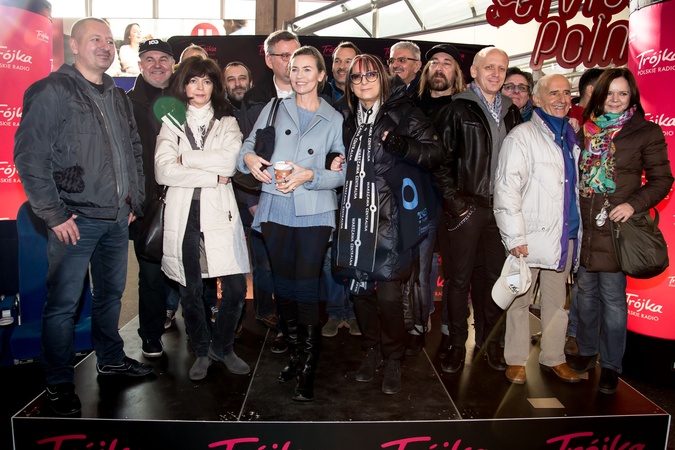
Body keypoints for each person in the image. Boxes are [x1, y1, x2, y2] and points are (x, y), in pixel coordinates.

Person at [14, 17, 153, 416]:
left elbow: (133, 150)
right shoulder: (52, 90)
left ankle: (110, 360)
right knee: (63, 305)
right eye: (95, 39)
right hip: (74, 220)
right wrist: (54, 214)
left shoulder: (118, 95)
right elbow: (29, 156)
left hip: (117, 218)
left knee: (110, 296)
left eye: (109, 40)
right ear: (74, 46)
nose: (105, 46)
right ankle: (58, 382)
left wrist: (134, 202)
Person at [238, 46, 345, 402]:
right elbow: (247, 148)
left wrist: (310, 175)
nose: (299, 75)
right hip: (276, 206)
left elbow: (343, 172)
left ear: (321, 75)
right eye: (294, 68)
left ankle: (309, 366)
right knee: (283, 288)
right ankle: (297, 356)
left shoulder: (334, 117)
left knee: (305, 288)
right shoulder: (273, 107)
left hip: (315, 210)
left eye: (307, 69)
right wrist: (249, 158)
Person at [334, 54, 442, 394]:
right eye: (356, 77)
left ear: (382, 77)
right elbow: (342, 156)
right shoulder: (348, 118)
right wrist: (333, 159)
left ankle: (394, 356)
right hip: (355, 216)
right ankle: (373, 349)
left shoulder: (405, 112)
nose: (363, 82)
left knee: (390, 295)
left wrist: (400, 145)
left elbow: (436, 153)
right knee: (360, 291)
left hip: (392, 216)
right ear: (350, 86)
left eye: (370, 75)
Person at [569, 67, 673, 394]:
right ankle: (587, 351)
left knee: (613, 299)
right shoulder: (586, 130)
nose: (615, 99)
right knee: (585, 294)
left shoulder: (645, 131)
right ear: (599, 95)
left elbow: (662, 180)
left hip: (616, 228)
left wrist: (632, 205)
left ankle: (612, 366)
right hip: (585, 225)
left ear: (632, 97)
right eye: (610, 93)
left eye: (622, 93)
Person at [155, 56, 251, 381]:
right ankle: (201, 349)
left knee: (235, 287)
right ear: (183, 85)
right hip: (183, 215)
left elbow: (229, 162)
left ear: (214, 86)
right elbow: (163, 170)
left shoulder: (227, 121)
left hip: (220, 213)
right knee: (190, 290)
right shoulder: (171, 122)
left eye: (207, 81)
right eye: (193, 80)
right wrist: (210, 176)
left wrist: (186, 158)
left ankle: (222, 346)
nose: (200, 87)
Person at [433, 46, 522, 374]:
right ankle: (457, 344)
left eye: (501, 68)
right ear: (474, 71)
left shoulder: (512, 112)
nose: (496, 74)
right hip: (466, 210)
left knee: (494, 280)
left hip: (501, 212)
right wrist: (456, 204)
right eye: (489, 67)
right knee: (459, 281)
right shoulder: (457, 109)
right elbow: (439, 162)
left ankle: (489, 343)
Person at [493, 74, 583, 385]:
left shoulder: (572, 137)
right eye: (553, 93)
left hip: (565, 233)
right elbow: (506, 189)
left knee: (557, 304)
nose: (561, 99)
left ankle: (554, 357)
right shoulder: (522, 136)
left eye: (566, 93)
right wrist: (514, 236)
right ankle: (516, 359)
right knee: (520, 299)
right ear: (538, 100)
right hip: (530, 236)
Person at [237, 30, 301, 353]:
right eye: (284, 55)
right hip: (263, 199)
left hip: (304, 199)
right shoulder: (254, 101)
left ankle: (296, 324)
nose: (291, 62)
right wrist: (252, 202)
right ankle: (267, 313)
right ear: (269, 59)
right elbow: (243, 152)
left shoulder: (318, 97)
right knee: (265, 265)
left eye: (296, 54)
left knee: (300, 268)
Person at [407, 43, 465, 356]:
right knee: (420, 267)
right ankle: (418, 324)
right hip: (420, 200)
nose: (439, 68)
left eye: (447, 63)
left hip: (457, 201)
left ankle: (450, 329)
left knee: (456, 271)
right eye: (434, 62)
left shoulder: (465, 107)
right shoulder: (411, 105)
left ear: (457, 72)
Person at [127, 38, 176, 358]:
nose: (157, 65)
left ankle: (201, 330)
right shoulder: (125, 103)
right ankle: (151, 333)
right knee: (150, 274)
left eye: (163, 59)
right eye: (150, 59)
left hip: (185, 198)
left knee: (194, 270)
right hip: (145, 205)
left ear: (172, 64)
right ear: (140, 64)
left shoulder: (187, 98)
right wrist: (130, 200)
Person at [320, 41, 361, 338]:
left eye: (349, 61)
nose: (343, 66)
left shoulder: (369, 99)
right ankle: (336, 312)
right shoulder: (320, 98)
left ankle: (356, 313)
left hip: (360, 192)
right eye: (338, 61)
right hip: (329, 191)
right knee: (330, 256)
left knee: (358, 253)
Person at [564, 67, 605, 357]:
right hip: (577, 211)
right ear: (592, 90)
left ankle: (585, 338)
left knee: (596, 284)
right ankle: (573, 333)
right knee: (581, 280)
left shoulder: (611, 122)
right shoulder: (574, 119)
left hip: (604, 212)